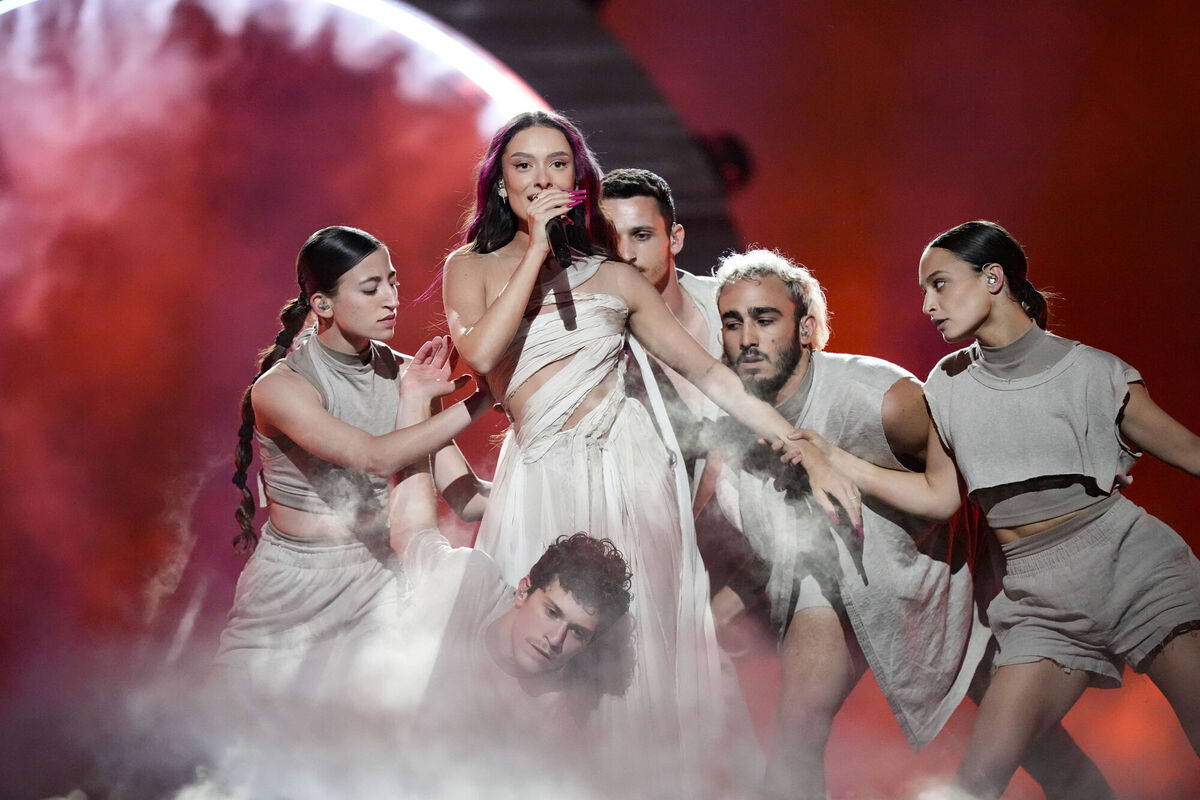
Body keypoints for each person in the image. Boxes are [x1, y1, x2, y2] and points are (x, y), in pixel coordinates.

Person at [441, 110, 856, 777]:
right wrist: (537, 257)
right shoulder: (471, 267)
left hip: (630, 473)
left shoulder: (617, 280)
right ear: (500, 183)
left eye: (557, 164)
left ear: (578, 182)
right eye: (523, 164)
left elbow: (711, 373)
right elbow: (483, 350)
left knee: (627, 659)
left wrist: (803, 445)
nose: (541, 177)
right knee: (531, 644)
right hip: (542, 471)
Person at [797, 220, 1200, 798]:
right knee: (976, 782)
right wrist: (834, 457)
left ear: (993, 278)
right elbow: (939, 496)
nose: (927, 305)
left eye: (939, 285)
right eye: (922, 292)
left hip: (1135, 567)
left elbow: (1189, 451)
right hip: (1040, 599)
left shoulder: (1092, 371)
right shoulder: (948, 384)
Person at [713, 248, 1113, 799]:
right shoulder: (733, 426)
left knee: (1034, 740)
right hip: (829, 586)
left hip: (942, 578)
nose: (747, 338)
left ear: (806, 329)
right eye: (733, 323)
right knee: (795, 734)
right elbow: (772, 542)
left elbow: (980, 452)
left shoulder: (876, 397)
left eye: (765, 319)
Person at [215, 225, 490, 695]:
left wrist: (554, 479)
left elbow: (466, 500)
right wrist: (483, 400)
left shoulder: (410, 376)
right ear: (322, 304)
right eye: (371, 287)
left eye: (393, 281)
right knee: (245, 745)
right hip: (291, 589)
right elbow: (373, 457)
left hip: (378, 584)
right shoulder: (282, 388)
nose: (392, 299)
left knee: (360, 748)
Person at [599, 167, 767, 636]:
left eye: (642, 235)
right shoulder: (598, 344)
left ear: (675, 237)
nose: (626, 254)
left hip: (778, 556)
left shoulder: (736, 313)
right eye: (612, 238)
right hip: (667, 578)